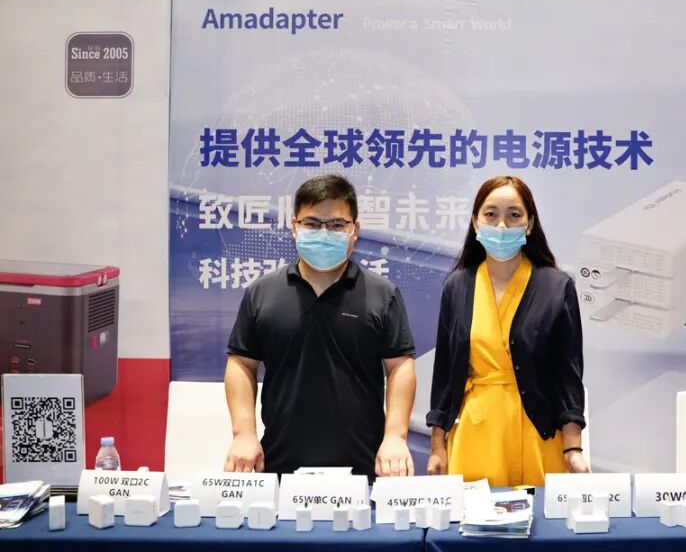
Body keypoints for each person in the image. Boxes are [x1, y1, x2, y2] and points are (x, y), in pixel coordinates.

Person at [223, 174, 417, 477]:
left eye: (337, 224)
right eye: (312, 223)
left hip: (363, 466)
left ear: (354, 230)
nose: (324, 233)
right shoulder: (262, 293)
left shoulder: (382, 294)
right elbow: (241, 363)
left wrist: (395, 436)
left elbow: (400, 366)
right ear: (294, 226)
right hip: (280, 464)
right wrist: (243, 434)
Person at [426, 175, 588, 486]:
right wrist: (437, 446)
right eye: (491, 214)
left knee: (539, 514)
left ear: (529, 224)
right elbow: (444, 373)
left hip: (539, 432)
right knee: (474, 515)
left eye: (514, 215)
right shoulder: (457, 287)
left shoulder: (556, 286)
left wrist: (573, 448)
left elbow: (568, 374)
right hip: (476, 432)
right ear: (475, 222)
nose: (502, 225)